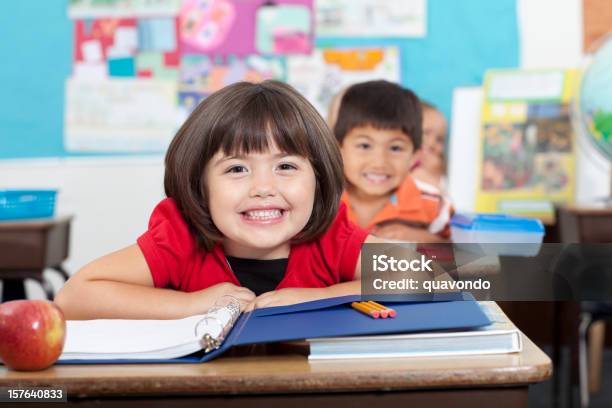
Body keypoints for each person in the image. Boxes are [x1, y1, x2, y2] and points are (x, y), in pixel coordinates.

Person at [55, 80, 381, 320]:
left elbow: (430, 273)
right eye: (237, 168)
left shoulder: (332, 238)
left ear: (319, 178)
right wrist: (192, 304)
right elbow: (74, 296)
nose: (263, 187)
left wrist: (320, 297)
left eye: (286, 166)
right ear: (200, 184)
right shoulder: (181, 237)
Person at [333, 81, 450, 242]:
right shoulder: (320, 202)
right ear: (338, 149)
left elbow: (461, 254)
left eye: (395, 148)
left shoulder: (434, 205)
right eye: (365, 145)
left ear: (415, 156)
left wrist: (424, 238)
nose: (379, 162)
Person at [410, 101, 453, 238]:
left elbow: (449, 207)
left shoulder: (440, 173)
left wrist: (433, 176)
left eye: (439, 139)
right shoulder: (402, 172)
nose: (432, 143)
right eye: (426, 133)